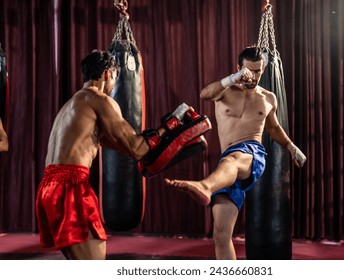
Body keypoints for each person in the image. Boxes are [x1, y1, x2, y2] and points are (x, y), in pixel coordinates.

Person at [165, 46, 307, 260]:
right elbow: (205, 93)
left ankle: (205, 185)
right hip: (226, 167)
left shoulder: (268, 98)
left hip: (252, 155)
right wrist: (233, 79)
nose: (255, 77)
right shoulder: (225, 92)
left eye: (259, 71)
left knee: (233, 159)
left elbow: (274, 127)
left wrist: (291, 147)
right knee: (221, 236)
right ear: (239, 68)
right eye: (250, 71)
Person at [35, 50, 166, 260]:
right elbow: (137, 148)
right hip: (71, 186)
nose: (114, 85)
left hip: (48, 188)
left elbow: (117, 146)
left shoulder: (71, 105)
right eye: (115, 78)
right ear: (107, 74)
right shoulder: (100, 100)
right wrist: (167, 130)